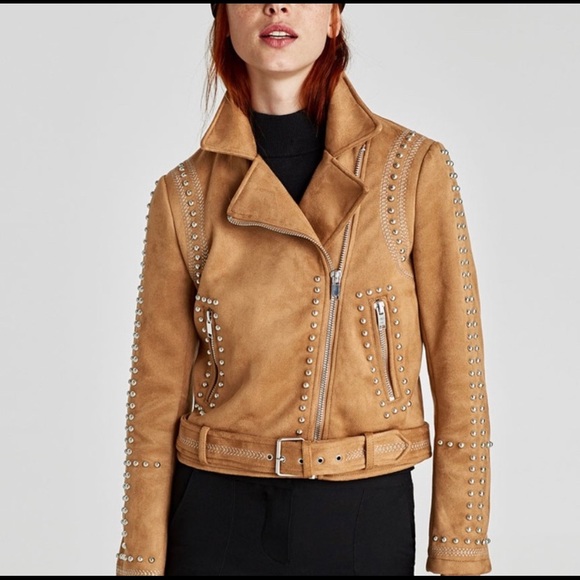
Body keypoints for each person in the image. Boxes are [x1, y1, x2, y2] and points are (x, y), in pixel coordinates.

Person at [115, 3, 492, 576]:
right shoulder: (185, 194)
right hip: (218, 513)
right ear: (224, 19)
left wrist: (460, 545)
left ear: (334, 18)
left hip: (362, 511)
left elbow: (459, 371)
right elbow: (154, 395)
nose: (277, 6)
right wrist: (141, 558)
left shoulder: (412, 171)